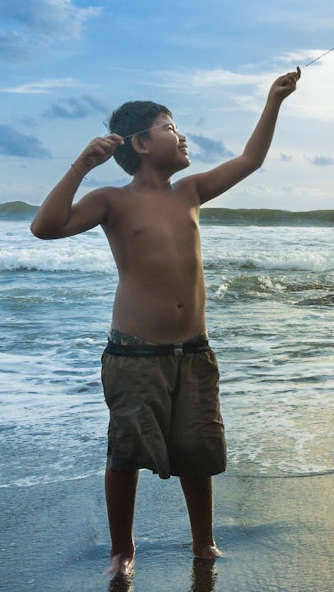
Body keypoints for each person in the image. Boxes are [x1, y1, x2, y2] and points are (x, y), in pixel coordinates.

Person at [30, 68, 301, 577]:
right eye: (170, 127)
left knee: (198, 452)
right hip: (135, 353)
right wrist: (82, 166)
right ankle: (122, 550)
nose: (181, 136)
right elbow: (45, 228)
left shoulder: (190, 191)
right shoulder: (111, 199)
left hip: (193, 351)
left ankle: (204, 543)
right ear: (142, 144)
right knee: (126, 451)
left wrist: (273, 102)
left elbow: (251, 159)